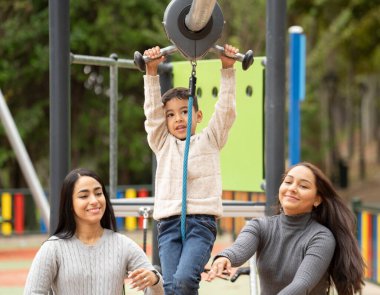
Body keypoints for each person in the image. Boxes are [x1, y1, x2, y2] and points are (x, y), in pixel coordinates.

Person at [143, 44, 239, 294]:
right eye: (171, 115)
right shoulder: (162, 143)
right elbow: (152, 115)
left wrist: (227, 69)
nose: (178, 119)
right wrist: (151, 73)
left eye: (185, 112)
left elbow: (226, 112)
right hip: (168, 225)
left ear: (198, 116)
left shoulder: (210, 139)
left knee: (185, 278)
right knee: (172, 284)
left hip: (201, 224)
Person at [207, 162, 365, 295]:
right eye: (288, 182)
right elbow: (238, 250)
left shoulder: (321, 237)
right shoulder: (260, 226)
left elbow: (301, 285)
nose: (292, 188)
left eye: (303, 186)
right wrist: (224, 258)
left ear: (317, 199)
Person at [24, 168, 164, 295]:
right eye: (84, 196)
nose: (94, 200)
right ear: (69, 204)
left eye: (98, 193)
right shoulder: (53, 248)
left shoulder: (123, 245)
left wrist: (154, 280)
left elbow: (159, 290)